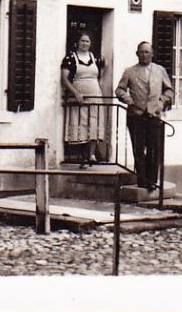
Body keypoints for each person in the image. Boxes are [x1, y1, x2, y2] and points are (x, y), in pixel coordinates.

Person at [115, 40, 174, 193]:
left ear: (152, 54)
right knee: (139, 149)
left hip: (154, 115)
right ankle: (142, 180)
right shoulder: (129, 71)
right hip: (136, 116)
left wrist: (161, 103)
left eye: (147, 52)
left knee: (154, 149)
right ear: (137, 54)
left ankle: (152, 181)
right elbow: (119, 90)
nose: (144, 55)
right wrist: (127, 99)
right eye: (141, 52)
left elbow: (169, 91)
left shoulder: (160, 70)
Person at [59, 32, 109, 166]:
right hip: (79, 95)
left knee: (94, 122)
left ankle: (91, 154)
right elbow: (64, 78)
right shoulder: (70, 58)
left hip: (95, 94)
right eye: (82, 41)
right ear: (77, 42)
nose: (85, 44)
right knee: (81, 123)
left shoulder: (95, 58)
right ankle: (81, 156)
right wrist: (75, 93)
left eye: (87, 41)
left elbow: (100, 75)